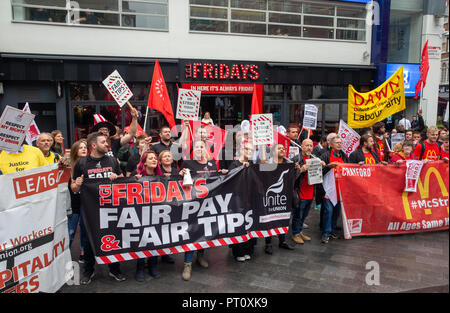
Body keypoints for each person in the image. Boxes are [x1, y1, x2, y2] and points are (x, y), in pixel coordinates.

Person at [71, 132, 126, 285]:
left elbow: (123, 183)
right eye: (103, 142)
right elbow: (73, 188)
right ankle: (88, 270)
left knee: (113, 238)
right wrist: (78, 184)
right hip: (89, 210)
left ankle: (114, 269)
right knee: (89, 240)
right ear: (94, 145)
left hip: (110, 208)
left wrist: (117, 178)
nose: (107, 145)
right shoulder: (82, 164)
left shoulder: (112, 161)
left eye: (107, 142)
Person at [179, 140, 228, 281]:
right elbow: (180, 180)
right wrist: (181, 173)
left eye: (202, 146)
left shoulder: (212, 163)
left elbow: (214, 180)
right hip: (192, 204)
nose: (199, 148)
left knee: (204, 230)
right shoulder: (187, 163)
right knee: (191, 232)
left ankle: (200, 255)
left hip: (208, 204)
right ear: (193, 149)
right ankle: (187, 264)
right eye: (197, 147)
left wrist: (222, 173)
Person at [132, 150, 162, 282]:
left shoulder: (162, 176)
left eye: (155, 158)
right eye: (151, 158)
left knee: (155, 239)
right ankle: (140, 267)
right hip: (141, 214)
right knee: (142, 240)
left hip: (157, 213)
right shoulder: (136, 176)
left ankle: (153, 265)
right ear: (144, 162)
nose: (154, 160)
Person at [227, 140, 256, 261]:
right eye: (247, 149)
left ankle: (248, 249)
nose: (249, 152)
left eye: (252, 150)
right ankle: (238, 251)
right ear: (241, 150)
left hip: (250, 200)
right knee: (239, 226)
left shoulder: (253, 165)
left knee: (249, 225)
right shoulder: (234, 164)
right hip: (237, 201)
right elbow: (230, 180)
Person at [263, 144, 295, 254]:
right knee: (270, 218)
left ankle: (283, 241)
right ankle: (268, 243)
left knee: (283, 216)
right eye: (279, 148)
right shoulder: (267, 163)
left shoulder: (289, 164)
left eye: (283, 148)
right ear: (272, 152)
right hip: (271, 196)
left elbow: (293, 180)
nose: (282, 150)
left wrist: (299, 170)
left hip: (284, 196)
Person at [292, 139, 324, 245]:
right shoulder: (296, 159)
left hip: (310, 192)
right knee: (298, 215)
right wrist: (300, 170)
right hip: (300, 192)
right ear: (301, 146)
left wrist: (323, 165)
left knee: (304, 215)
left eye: (311, 145)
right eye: (307, 145)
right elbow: (290, 176)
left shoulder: (315, 159)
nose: (309, 148)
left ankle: (300, 231)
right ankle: (295, 234)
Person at [320, 136, 349, 244]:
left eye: (341, 142)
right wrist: (328, 166)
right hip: (328, 189)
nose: (339, 144)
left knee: (336, 213)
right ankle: (325, 233)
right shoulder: (325, 155)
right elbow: (319, 171)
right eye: (337, 143)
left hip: (340, 189)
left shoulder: (344, 156)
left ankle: (331, 229)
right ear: (331, 145)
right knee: (328, 211)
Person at [68, 140, 88, 264]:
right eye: (80, 147)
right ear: (75, 151)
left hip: (86, 202)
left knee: (85, 230)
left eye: (85, 147)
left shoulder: (90, 164)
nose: (83, 149)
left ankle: (83, 253)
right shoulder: (69, 166)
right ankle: (66, 256)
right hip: (72, 203)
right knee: (71, 231)